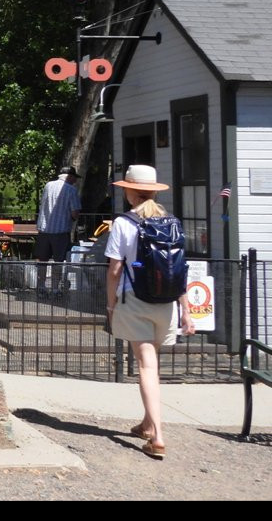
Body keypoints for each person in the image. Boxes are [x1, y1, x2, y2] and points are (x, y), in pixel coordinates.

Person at [105, 165, 195, 460]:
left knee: (146, 366)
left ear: (130, 192)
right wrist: (186, 310)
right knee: (152, 364)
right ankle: (146, 424)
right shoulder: (171, 222)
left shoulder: (124, 224)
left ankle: (157, 436)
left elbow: (115, 270)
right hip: (166, 303)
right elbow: (177, 269)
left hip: (135, 300)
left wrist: (110, 305)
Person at [34, 166, 81, 295]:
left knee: (42, 261)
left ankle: (41, 288)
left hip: (44, 230)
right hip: (60, 231)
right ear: (70, 177)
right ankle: (55, 289)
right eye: (74, 178)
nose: (75, 181)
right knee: (58, 261)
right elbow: (75, 212)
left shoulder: (48, 186)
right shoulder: (71, 190)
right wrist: (72, 218)